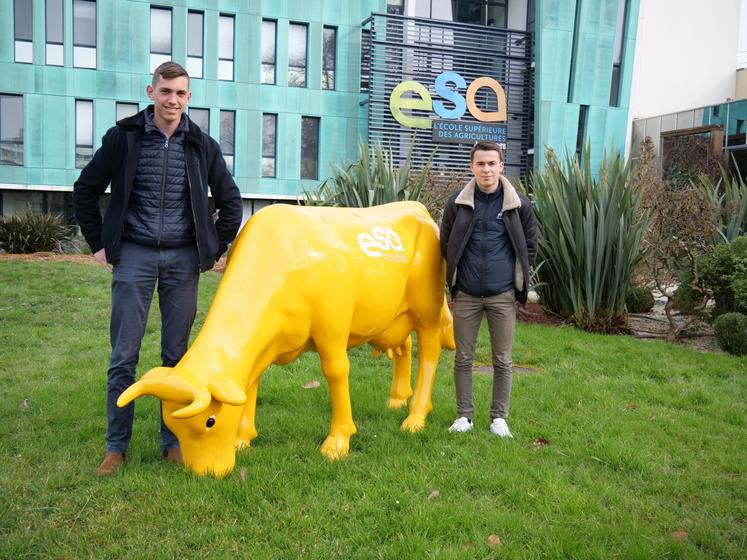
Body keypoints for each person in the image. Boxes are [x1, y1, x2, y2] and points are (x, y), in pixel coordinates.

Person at [73, 61, 243, 475]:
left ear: (189, 97)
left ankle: (172, 442)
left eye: (181, 93)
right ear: (151, 92)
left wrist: (210, 249)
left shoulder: (201, 143)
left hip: (182, 261)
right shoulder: (124, 138)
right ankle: (116, 447)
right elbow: (86, 189)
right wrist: (99, 244)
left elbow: (231, 202)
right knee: (124, 355)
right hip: (134, 256)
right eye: (166, 92)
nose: (173, 100)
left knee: (177, 357)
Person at [440, 141, 537, 437]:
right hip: (467, 294)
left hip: (502, 295)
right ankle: (464, 416)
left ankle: (499, 418)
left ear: (501, 166)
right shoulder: (457, 203)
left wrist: (513, 280)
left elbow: (530, 246)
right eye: (480, 164)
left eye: (491, 163)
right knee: (463, 358)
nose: (486, 169)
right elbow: (446, 244)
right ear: (472, 167)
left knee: (502, 359)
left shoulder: (518, 204)